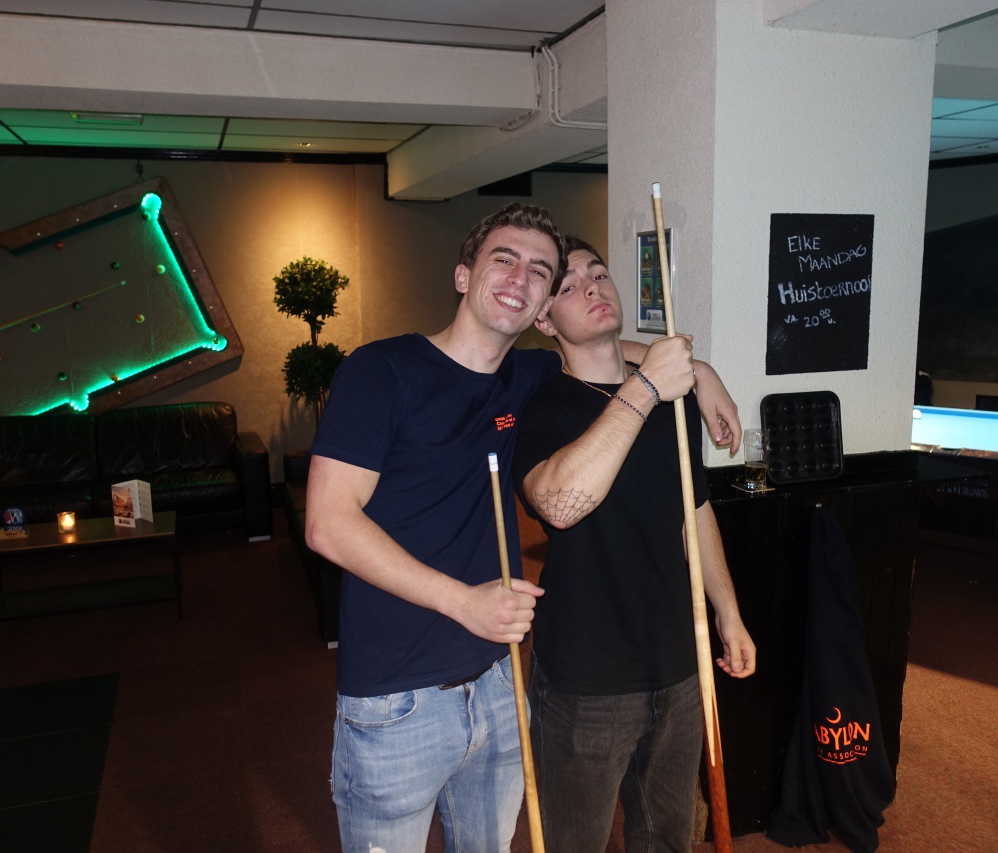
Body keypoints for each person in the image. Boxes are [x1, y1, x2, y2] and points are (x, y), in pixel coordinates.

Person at [305, 203, 741, 852]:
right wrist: (464, 601)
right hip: (398, 696)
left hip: (498, 680)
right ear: (463, 275)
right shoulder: (382, 370)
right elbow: (327, 524)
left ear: (540, 305)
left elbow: (603, 351)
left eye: (540, 269)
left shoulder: (525, 376)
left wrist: (699, 372)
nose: (521, 276)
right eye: (503, 259)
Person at [512, 236, 756, 853]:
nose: (592, 287)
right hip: (586, 677)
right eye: (569, 286)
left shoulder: (672, 402)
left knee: (668, 837)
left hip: (678, 661)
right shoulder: (541, 409)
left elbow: (693, 511)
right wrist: (652, 384)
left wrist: (728, 613)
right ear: (545, 320)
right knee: (576, 841)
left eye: (598, 274)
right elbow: (558, 506)